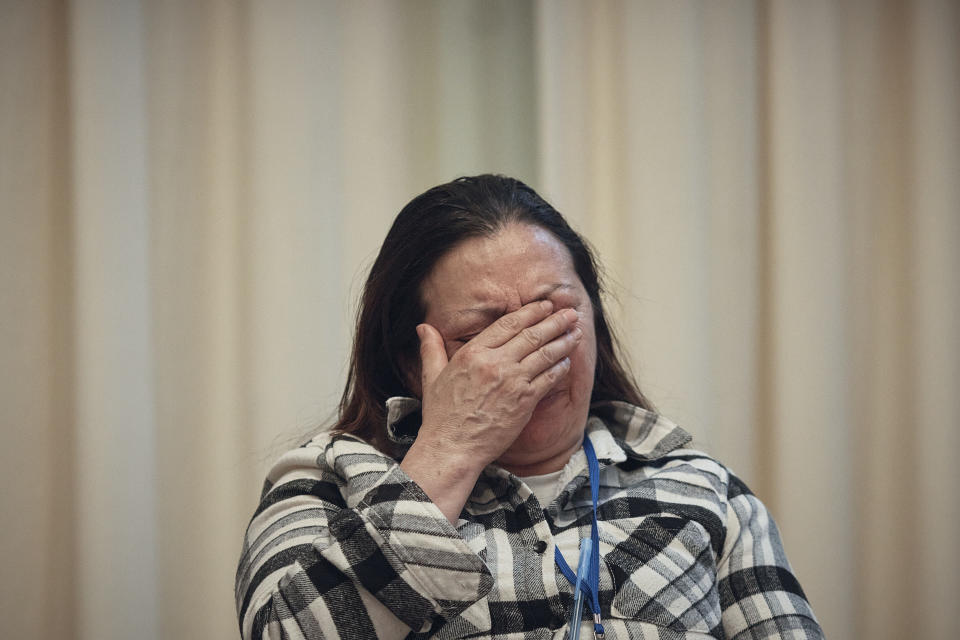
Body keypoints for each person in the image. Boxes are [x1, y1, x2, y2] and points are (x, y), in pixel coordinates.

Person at [235, 175, 824, 639]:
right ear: (415, 360)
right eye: (486, 333)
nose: (529, 355)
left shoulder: (704, 489)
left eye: (553, 316)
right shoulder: (325, 482)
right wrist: (452, 448)